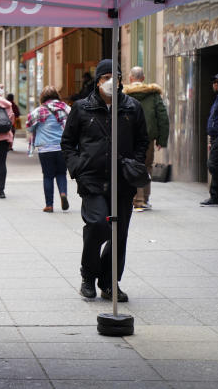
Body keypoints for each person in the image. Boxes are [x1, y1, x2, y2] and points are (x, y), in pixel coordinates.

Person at [61, 59, 148, 302]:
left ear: (121, 80)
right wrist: (77, 167)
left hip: (123, 179)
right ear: (97, 81)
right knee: (98, 225)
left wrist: (135, 163)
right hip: (92, 178)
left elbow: (143, 140)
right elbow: (68, 142)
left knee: (119, 233)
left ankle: (110, 283)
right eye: (105, 77)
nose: (110, 81)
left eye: (115, 76)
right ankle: (88, 275)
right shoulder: (81, 108)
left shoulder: (132, 107)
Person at [123, 66, 170, 211]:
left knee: (132, 165)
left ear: (130, 78)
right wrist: (161, 140)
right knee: (146, 166)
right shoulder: (153, 94)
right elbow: (162, 117)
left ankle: (137, 199)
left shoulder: (124, 94)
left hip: (128, 137)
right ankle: (145, 198)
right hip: (148, 138)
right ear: (143, 78)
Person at [26, 86, 71, 212]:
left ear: (43, 97)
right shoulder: (66, 108)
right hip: (62, 148)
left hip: (45, 149)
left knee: (48, 176)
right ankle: (63, 194)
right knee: (61, 173)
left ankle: (49, 205)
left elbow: (29, 126)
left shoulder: (39, 111)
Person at [202, 73, 218, 206]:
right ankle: (215, 196)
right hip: (215, 137)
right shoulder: (216, 99)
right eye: (214, 82)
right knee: (214, 165)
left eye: (216, 82)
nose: (214, 84)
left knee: (213, 164)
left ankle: (215, 196)